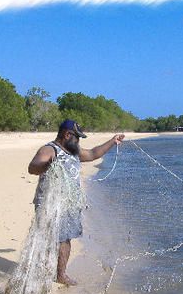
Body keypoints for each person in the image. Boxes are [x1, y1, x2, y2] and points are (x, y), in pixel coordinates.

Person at [28, 119, 125, 285]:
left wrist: (112, 141)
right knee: (48, 238)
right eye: (77, 137)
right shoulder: (50, 150)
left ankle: (60, 274)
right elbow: (33, 167)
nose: (78, 141)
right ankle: (41, 271)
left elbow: (94, 153)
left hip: (69, 204)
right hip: (50, 204)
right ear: (67, 135)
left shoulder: (74, 151)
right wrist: (48, 163)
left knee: (65, 239)